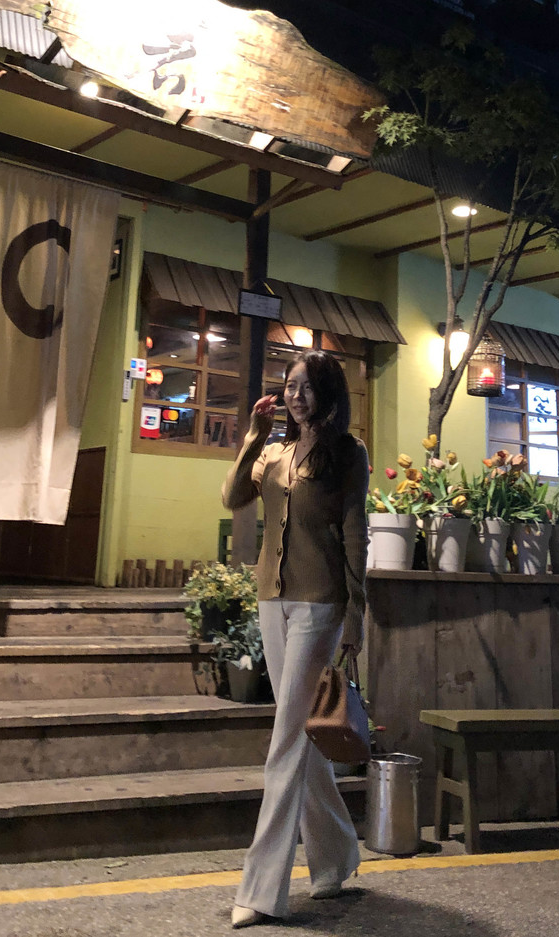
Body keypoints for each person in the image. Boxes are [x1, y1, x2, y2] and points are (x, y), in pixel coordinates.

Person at [221, 349, 369, 928]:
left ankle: (261, 890)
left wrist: (356, 612)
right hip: (272, 599)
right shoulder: (276, 452)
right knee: (299, 737)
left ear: (327, 394)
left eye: (306, 387)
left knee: (285, 740)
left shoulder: (348, 454)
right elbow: (233, 496)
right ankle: (335, 859)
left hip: (320, 603)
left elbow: (355, 532)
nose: (295, 395)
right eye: (289, 385)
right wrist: (254, 436)